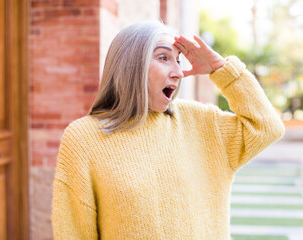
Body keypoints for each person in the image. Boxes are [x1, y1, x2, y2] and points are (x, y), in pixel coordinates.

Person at [52, 21, 285, 239]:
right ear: (130, 64)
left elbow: (266, 126)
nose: (178, 72)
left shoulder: (199, 121)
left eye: (178, 60)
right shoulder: (84, 138)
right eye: (163, 57)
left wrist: (220, 68)